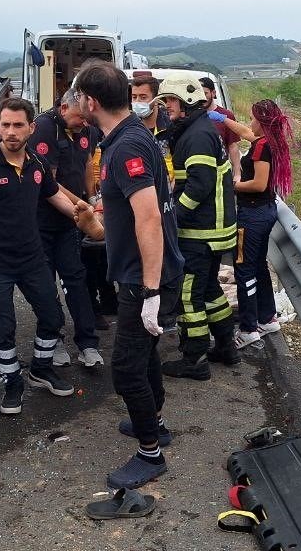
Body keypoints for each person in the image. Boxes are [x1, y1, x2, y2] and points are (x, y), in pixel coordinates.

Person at [72, 59, 184, 489]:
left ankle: (150, 453)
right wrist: (95, 226)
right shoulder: (131, 137)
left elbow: (149, 219)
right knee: (144, 356)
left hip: (146, 279)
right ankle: (153, 423)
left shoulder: (126, 148)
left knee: (125, 369)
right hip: (147, 274)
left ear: (91, 101)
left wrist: (151, 290)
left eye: (79, 95)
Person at [0, 98, 99, 415]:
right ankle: (12, 382)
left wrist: (79, 213)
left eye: (18, 125)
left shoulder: (36, 163)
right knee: (2, 328)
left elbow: (54, 194)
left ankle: (40, 369)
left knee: (53, 317)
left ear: (31, 128)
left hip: (32, 259)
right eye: (5, 125)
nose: (11, 131)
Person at [156, 71, 239, 380]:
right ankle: (226, 346)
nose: (166, 107)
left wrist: (172, 218)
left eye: (171, 101)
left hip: (201, 233)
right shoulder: (199, 129)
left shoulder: (197, 136)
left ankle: (195, 359)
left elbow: (199, 186)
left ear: (188, 102)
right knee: (210, 290)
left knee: (189, 296)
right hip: (213, 231)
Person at [209, 101, 293, 349]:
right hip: (263, 212)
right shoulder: (269, 141)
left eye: (253, 119)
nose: (250, 123)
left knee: (244, 269)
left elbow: (258, 184)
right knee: (258, 267)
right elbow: (245, 132)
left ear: (262, 122)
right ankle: (267, 318)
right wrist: (221, 118)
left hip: (252, 214)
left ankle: (248, 329)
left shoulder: (261, 149)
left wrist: (232, 185)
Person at [29, 90, 104, 366]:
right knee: (46, 284)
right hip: (44, 220)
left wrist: (93, 197)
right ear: (63, 108)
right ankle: (54, 338)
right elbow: (49, 183)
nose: (83, 124)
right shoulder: (44, 129)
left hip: (72, 221)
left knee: (75, 278)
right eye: (79, 118)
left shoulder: (86, 127)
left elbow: (86, 163)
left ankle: (87, 343)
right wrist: (82, 207)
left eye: (87, 119)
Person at [201, 76, 241, 182]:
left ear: (213, 93)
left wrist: (237, 174)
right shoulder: (191, 116)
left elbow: (232, 146)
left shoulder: (226, 116)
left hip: (221, 172)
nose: (202, 98)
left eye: (205, 93)